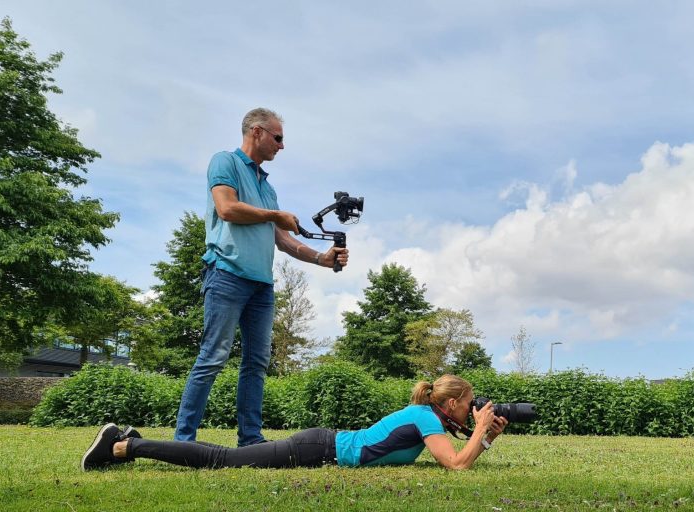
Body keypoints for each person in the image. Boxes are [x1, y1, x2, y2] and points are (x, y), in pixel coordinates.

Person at [174, 108, 349, 447]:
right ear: (257, 132)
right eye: (278, 138)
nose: (282, 146)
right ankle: (184, 441)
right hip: (225, 274)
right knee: (213, 356)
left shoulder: (268, 188)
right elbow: (227, 208)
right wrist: (276, 215)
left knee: (256, 363)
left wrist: (322, 258)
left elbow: (283, 240)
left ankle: (250, 439)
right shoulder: (225, 162)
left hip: (261, 286)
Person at [82, 375, 508, 471]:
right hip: (316, 448)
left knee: (224, 457)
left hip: (321, 446)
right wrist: (478, 433)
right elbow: (455, 465)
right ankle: (123, 446)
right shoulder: (422, 417)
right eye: (470, 404)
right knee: (222, 459)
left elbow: (453, 457)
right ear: (450, 404)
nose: (474, 409)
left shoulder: (431, 419)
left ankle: (131, 441)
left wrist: (484, 437)